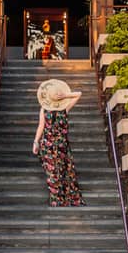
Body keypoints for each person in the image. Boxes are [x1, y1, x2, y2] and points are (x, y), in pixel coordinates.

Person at [32, 78, 84, 206]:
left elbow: (79, 94)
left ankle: (61, 198)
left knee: (62, 171)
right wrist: (35, 142)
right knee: (52, 172)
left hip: (62, 146)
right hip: (48, 145)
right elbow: (41, 126)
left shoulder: (64, 108)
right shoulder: (44, 110)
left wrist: (65, 95)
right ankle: (55, 200)